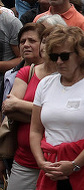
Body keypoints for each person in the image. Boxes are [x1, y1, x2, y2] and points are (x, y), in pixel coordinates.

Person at [29, 26, 84, 190]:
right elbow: (35, 130)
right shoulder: (45, 85)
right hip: (51, 170)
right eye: (55, 57)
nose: (59, 61)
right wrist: (41, 162)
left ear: (80, 54)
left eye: (64, 56)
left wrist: (75, 164)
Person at [2, 22, 54, 190]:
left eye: (32, 40)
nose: (26, 45)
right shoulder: (25, 72)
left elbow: (61, 114)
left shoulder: (65, 77)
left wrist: (21, 105)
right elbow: (9, 109)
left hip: (56, 160)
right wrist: (46, 114)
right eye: (22, 41)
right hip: (24, 160)